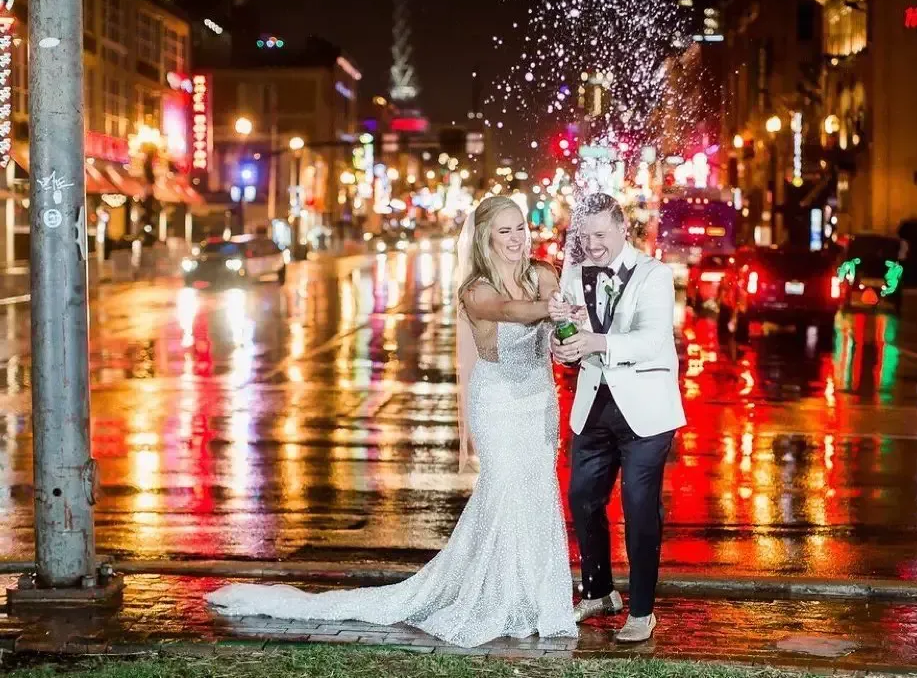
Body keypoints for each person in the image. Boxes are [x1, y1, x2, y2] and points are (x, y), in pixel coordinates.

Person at [205, 196, 578, 649]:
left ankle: (536, 599)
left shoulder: (543, 276)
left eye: (520, 227)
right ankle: (498, 598)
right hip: (498, 404)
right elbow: (510, 312)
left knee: (537, 493)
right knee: (505, 494)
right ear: (485, 238)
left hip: (538, 403)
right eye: (505, 231)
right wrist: (549, 310)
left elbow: (557, 331)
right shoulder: (475, 290)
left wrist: (565, 337)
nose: (517, 238)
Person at [549, 193, 685, 644]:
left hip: (646, 411)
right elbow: (568, 339)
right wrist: (563, 346)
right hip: (595, 404)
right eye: (584, 236)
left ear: (623, 230)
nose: (591, 245)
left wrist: (597, 343)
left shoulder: (654, 274)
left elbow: (651, 339)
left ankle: (642, 612)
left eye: (601, 235)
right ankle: (600, 590)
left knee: (638, 507)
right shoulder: (573, 273)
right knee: (583, 497)